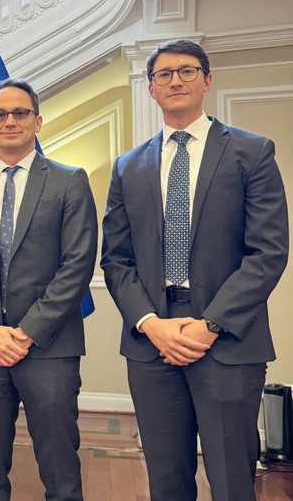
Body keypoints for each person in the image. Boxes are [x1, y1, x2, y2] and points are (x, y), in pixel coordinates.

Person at [101, 39, 289, 500]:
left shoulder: (252, 152)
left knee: (231, 479)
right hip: (152, 345)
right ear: (151, 89)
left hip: (228, 340)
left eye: (187, 71)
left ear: (207, 80)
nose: (176, 81)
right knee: (166, 478)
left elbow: (268, 251)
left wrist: (210, 325)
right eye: (164, 74)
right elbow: (116, 259)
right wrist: (150, 324)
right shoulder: (128, 167)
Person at [0, 78, 97, 501]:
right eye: (0, 114)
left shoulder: (70, 181)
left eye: (20, 113)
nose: (9, 120)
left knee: (60, 470)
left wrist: (25, 333)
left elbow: (77, 267)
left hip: (49, 349)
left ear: (37, 121)